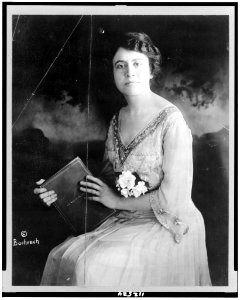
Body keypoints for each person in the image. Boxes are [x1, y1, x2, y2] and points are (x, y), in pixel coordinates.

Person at [34, 32, 212, 286]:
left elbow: (173, 200)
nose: (129, 72)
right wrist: (58, 189)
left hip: (167, 223)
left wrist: (116, 200)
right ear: (114, 73)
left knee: (89, 266)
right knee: (61, 255)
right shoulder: (118, 119)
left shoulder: (172, 122)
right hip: (123, 217)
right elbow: (107, 178)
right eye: (121, 65)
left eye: (137, 64)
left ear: (152, 70)